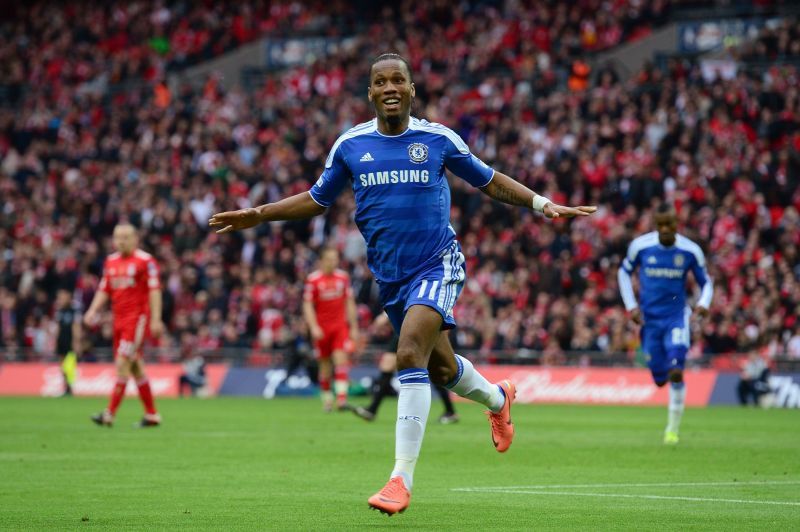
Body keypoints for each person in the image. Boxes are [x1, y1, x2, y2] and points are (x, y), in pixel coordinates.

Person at [209, 52, 596, 515]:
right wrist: (258, 214)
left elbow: (488, 180)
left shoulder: (436, 139)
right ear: (370, 92)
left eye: (399, 80)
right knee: (441, 371)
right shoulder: (351, 146)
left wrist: (542, 204)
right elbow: (317, 199)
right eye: (381, 81)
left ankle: (400, 480)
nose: (390, 87)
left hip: (437, 265)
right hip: (390, 279)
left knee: (409, 352)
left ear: (412, 90)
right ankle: (498, 398)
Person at [618, 203, 713, 445]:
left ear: (676, 224)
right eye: (660, 225)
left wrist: (703, 303)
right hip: (649, 321)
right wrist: (631, 307)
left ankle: (672, 429)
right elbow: (623, 273)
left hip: (676, 318)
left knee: (677, 370)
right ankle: (663, 379)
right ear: (656, 225)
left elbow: (706, 282)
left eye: (669, 224)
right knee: (660, 378)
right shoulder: (641, 246)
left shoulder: (690, 251)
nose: (665, 229)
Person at [84, 224, 164, 428]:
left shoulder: (145, 261)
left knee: (122, 363)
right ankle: (152, 414)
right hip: (118, 321)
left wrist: (155, 319)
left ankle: (109, 413)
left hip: (136, 320)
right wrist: (93, 310)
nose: (121, 241)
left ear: (136, 239)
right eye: (118, 237)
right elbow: (104, 288)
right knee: (136, 368)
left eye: (126, 237)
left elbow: (155, 291)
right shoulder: (110, 262)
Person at [354, 312, 459, 424]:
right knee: (387, 365)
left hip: (423, 326)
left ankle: (450, 411)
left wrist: (384, 316)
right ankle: (372, 409)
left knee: (432, 369)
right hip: (405, 326)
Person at [302, 247, 359, 411]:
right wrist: (313, 327)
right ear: (322, 260)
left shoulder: (343, 278)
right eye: (330, 259)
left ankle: (341, 400)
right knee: (325, 365)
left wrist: (354, 327)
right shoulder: (313, 280)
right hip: (321, 328)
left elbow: (349, 302)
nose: (333, 262)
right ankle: (327, 401)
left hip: (339, 326)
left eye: (335, 259)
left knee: (341, 359)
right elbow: (307, 305)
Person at [53, 288, 82, 396]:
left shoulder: (74, 311)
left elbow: (76, 326)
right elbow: (58, 327)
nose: (60, 300)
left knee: (69, 366)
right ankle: (66, 387)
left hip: (70, 341)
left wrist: (76, 342)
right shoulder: (59, 311)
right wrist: (56, 340)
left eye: (62, 297)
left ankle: (70, 387)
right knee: (62, 365)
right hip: (62, 340)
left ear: (69, 297)